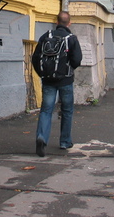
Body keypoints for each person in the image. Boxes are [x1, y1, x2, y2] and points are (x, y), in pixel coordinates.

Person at [32, 11, 83, 157]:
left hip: (48, 80)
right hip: (66, 80)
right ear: (69, 23)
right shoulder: (71, 39)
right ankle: (65, 141)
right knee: (67, 111)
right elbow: (77, 60)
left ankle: (41, 137)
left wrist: (42, 73)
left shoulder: (45, 36)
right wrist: (69, 68)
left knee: (46, 110)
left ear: (56, 22)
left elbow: (35, 58)